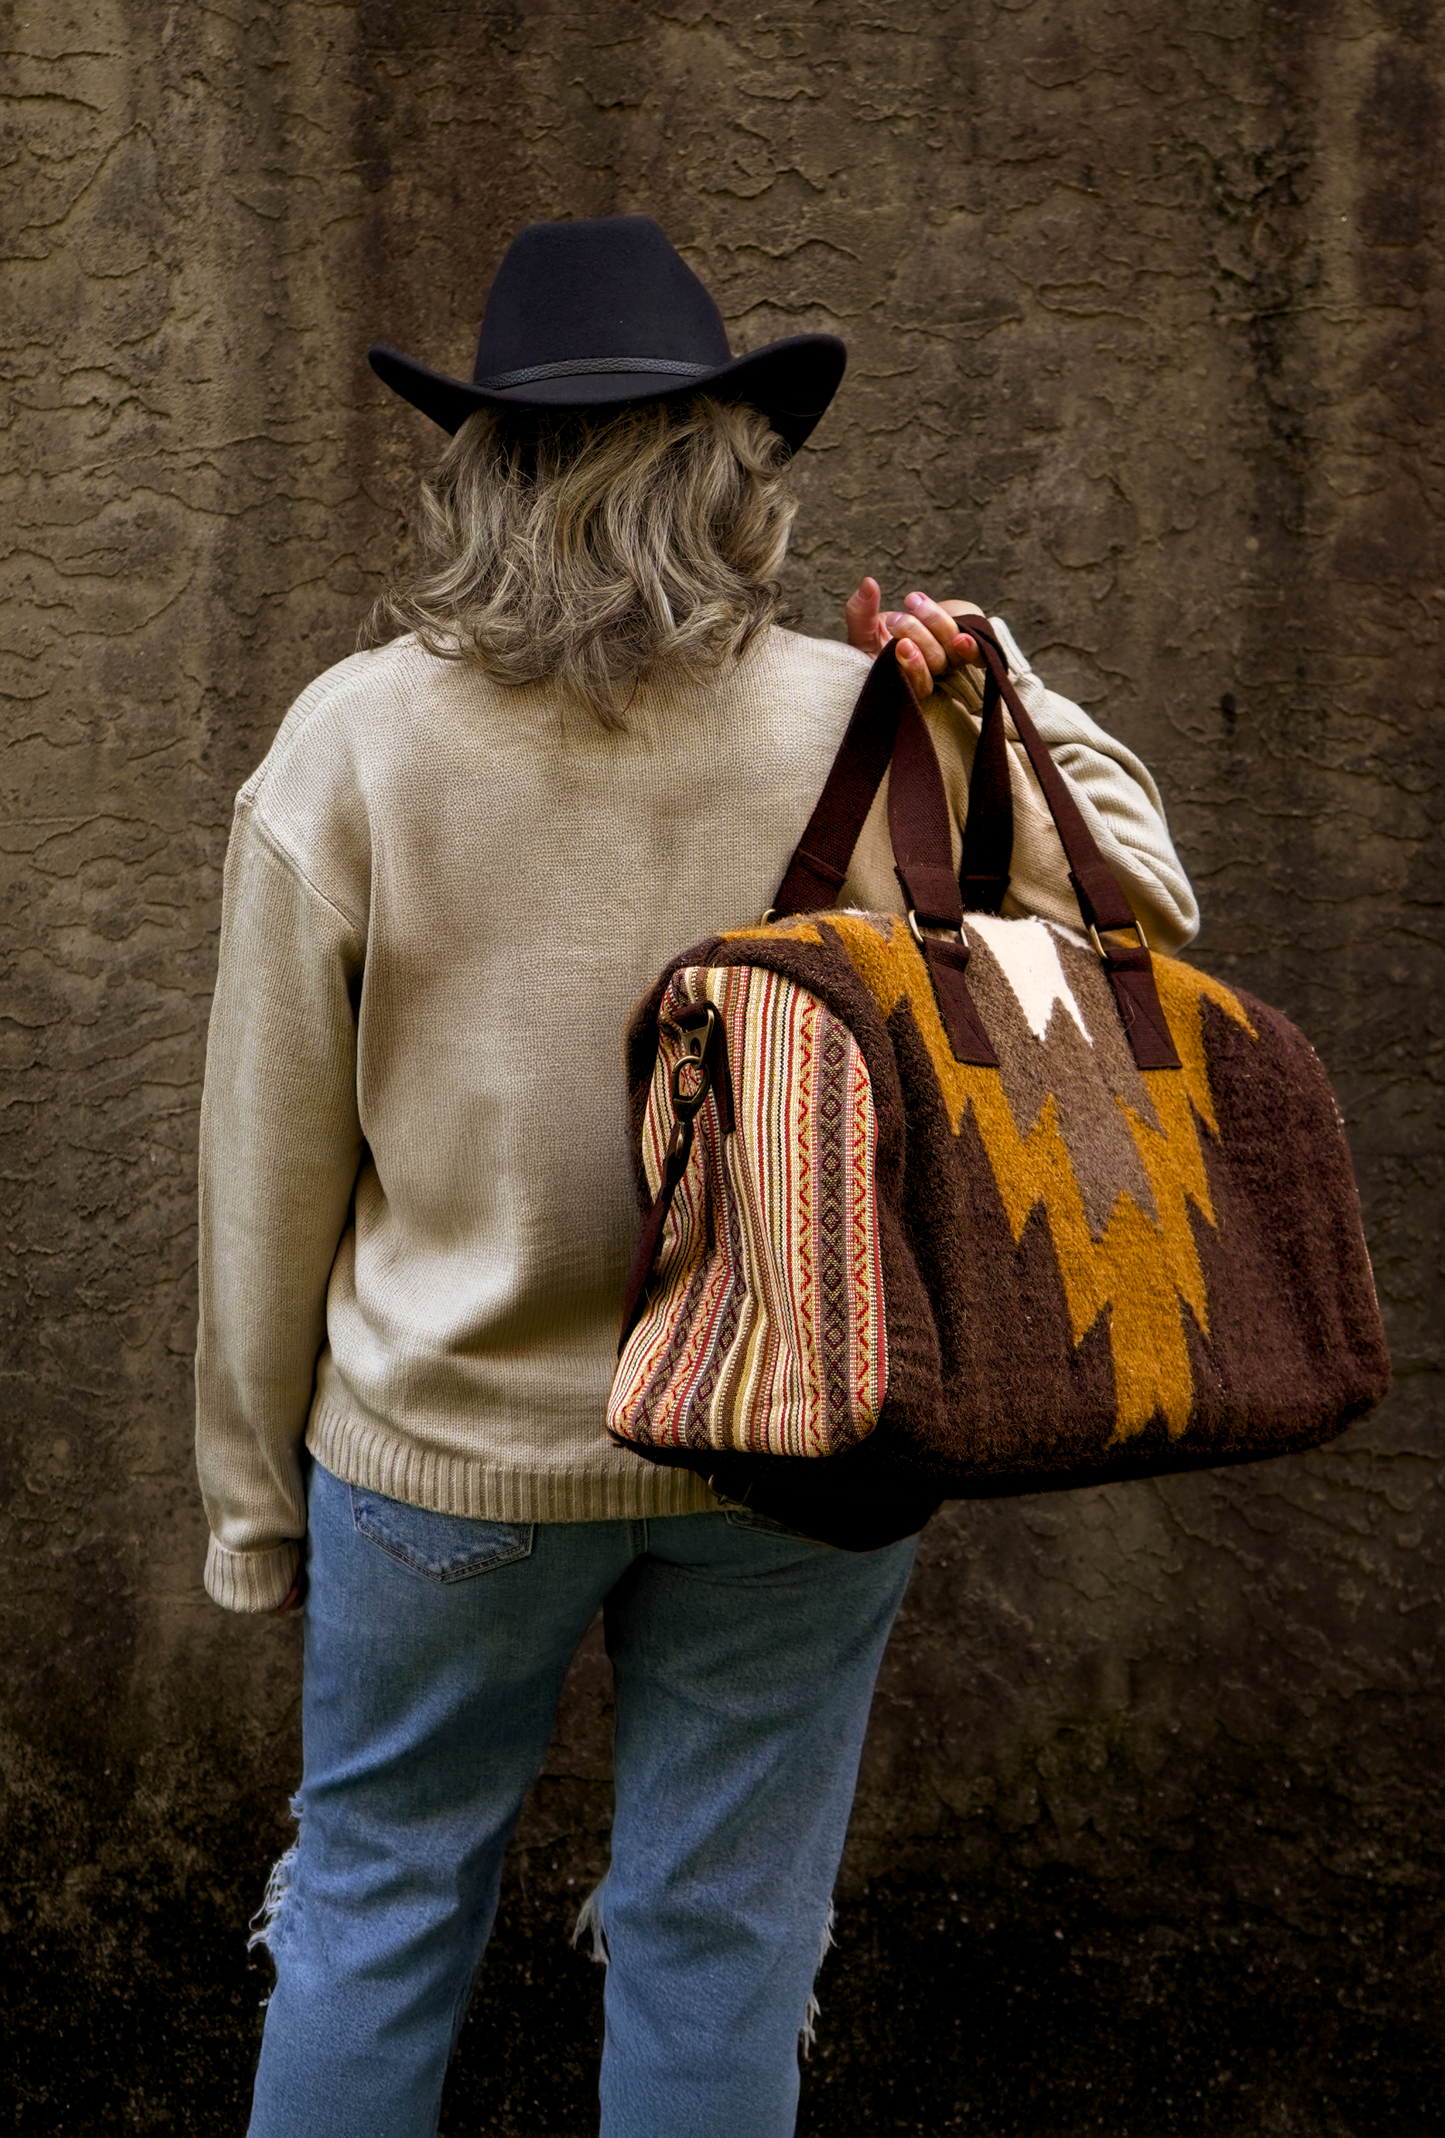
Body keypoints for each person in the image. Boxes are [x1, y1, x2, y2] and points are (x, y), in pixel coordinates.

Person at [195, 215, 1198, 2138]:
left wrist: (255, 1507)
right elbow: (1149, 906)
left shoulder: (354, 742)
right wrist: (990, 690)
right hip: (801, 1442)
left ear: (480, 471)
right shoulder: (862, 725)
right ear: (739, 472)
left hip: (442, 1455)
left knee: (377, 1903)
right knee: (724, 1928)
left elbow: (269, 1177)